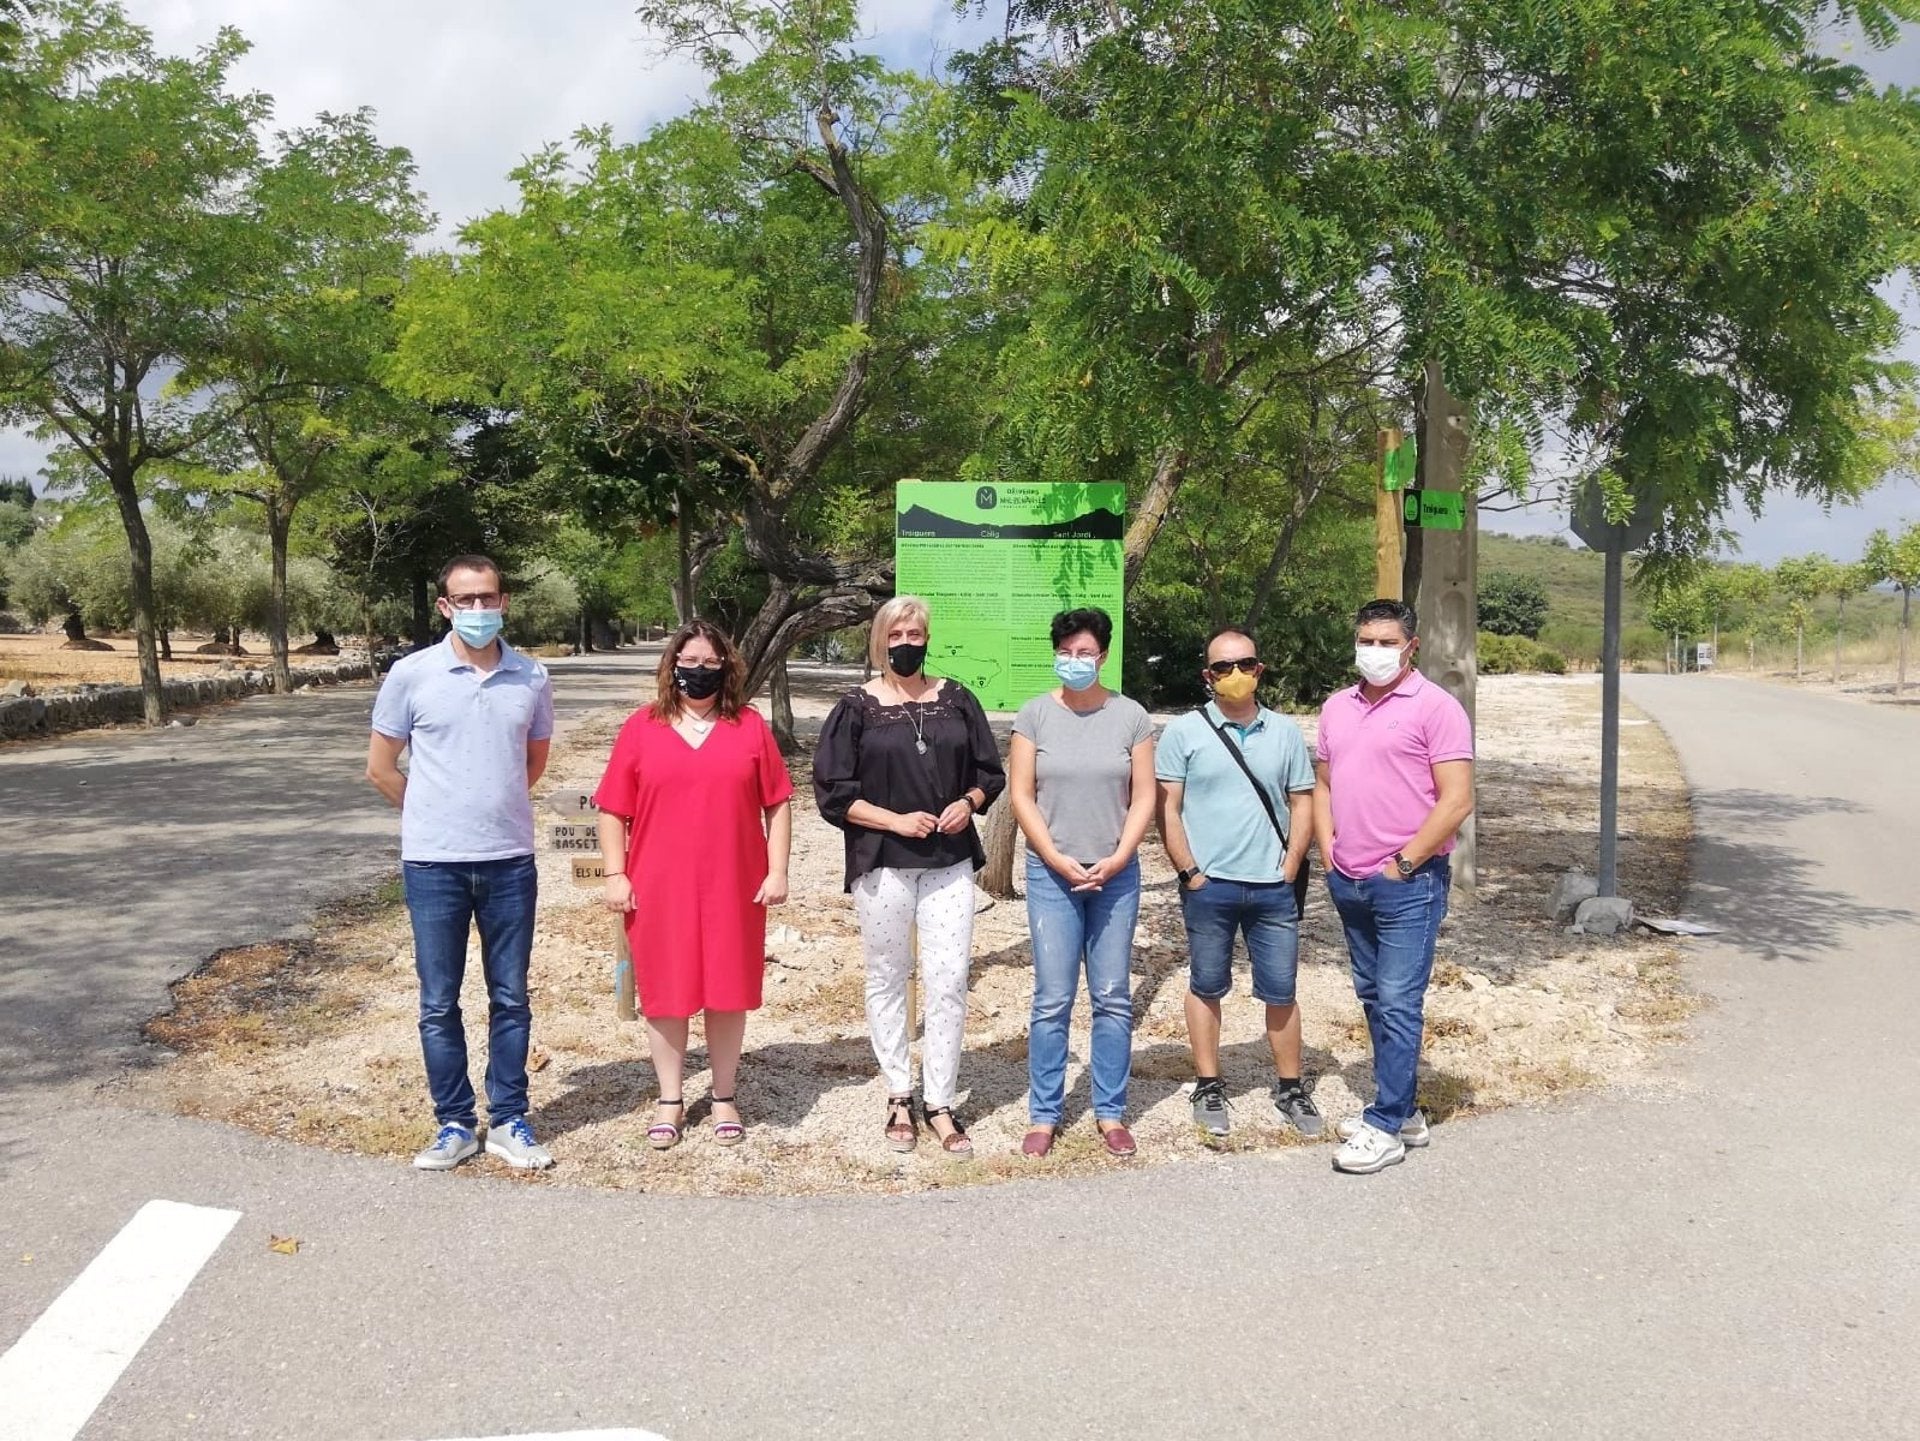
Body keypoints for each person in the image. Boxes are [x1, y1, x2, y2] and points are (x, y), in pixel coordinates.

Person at [366, 554, 557, 1171]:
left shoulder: (532, 677)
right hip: (434, 866)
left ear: (504, 602)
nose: (479, 609)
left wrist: (488, 812)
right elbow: (380, 768)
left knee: (511, 997)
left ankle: (508, 1120)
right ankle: (453, 1123)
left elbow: (532, 763)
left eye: (488, 598)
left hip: (509, 863)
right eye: (466, 600)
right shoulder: (411, 674)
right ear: (445, 606)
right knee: (438, 1001)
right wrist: (433, 813)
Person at [813, 596, 1005, 1157]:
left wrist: (968, 803)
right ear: (880, 641)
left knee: (948, 980)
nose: (905, 643)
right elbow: (833, 793)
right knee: (887, 975)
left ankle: (940, 1101)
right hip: (882, 860)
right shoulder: (856, 707)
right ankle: (899, 1091)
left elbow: (988, 773)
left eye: (914, 634)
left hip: (949, 861)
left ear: (927, 639)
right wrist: (893, 820)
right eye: (895, 635)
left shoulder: (957, 699)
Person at [592, 621, 793, 1150]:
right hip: (659, 883)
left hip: (735, 881)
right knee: (667, 991)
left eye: (710, 663)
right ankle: (670, 1099)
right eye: (689, 662)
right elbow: (612, 809)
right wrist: (615, 873)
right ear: (671, 666)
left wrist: (777, 870)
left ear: (726, 668)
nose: (699, 671)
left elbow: (777, 803)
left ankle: (724, 1094)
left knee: (728, 990)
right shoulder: (642, 727)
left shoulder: (749, 726)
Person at [1313, 598, 1475, 1175]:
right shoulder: (1337, 707)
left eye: (1387, 642)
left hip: (1409, 882)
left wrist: (1404, 863)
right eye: (1367, 641)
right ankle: (1402, 1110)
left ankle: (1384, 1127)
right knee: (1373, 996)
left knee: (1400, 1000)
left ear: (1412, 647)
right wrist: (1328, 850)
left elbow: (1457, 799)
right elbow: (1324, 784)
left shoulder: (1437, 708)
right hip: (1349, 877)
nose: (1374, 652)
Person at [1156, 627, 1321, 1139]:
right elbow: (1167, 807)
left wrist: (1292, 864)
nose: (1235, 674)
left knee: (1281, 990)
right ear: (1208, 676)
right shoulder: (1184, 732)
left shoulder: (1285, 732)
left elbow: (1302, 800)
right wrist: (1189, 871)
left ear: (1259, 669)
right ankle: (1208, 1084)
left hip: (1273, 886)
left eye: (1245, 664)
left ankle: (1290, 1087)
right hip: (1210, 887)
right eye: (1223, 667)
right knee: (1206, 985)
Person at [1009, 607, 1156, 1160]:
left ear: (1104, 655)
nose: (1075, 661)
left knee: (1112, 996)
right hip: (1051, 874)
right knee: (1052, 997)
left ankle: (1110, 1110)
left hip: (1116, 875)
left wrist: (1119, 857)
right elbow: (1022, 794)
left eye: (1085, 652)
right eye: (1066, 652)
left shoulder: (1131, 716)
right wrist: (1053, 855)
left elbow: (1144, 796)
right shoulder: (1034, 715)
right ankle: (1044, 1114)